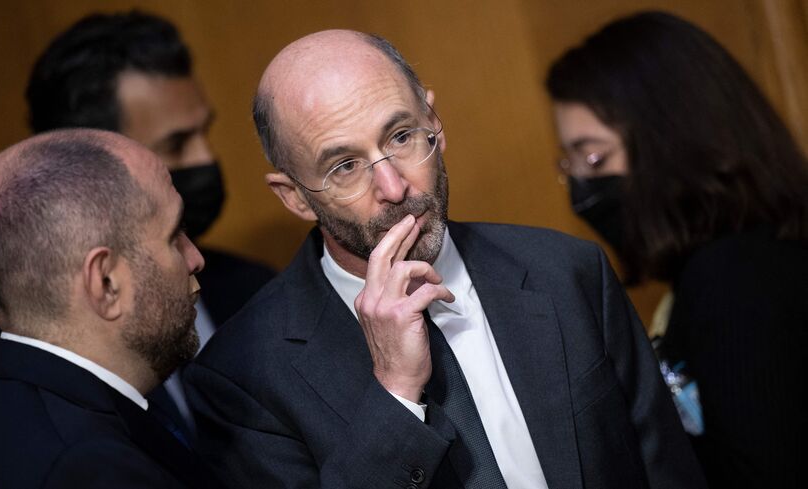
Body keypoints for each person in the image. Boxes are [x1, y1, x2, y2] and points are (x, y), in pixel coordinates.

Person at [184, 29, 706, 489]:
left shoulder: (566, 273)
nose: (394, 187)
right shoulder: (243, 377)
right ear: (294, 197)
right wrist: (394, 395)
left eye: (402, 136)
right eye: (344, 166)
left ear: (434, 121)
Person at [0, 11, 274, 466]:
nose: (206, 158)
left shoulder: (254, 290)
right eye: (176, 145)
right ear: (89, 163)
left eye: (205, 132)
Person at [545, 11, 808, 489]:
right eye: (572, 161)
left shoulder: (736, 276)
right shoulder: (720, 267)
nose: (581, 184)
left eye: (595, 156)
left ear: (670, 141)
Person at [0, 129, 222, 488]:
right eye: (173, 236)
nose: (195, 258)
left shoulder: (10, 410)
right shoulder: (94, 468)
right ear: (105, 283)